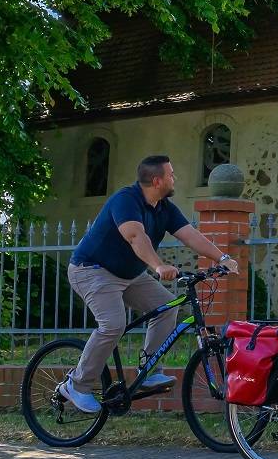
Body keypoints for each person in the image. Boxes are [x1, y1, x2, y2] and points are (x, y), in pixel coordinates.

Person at [61, 154, 236, 414]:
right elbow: (135, 236)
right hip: (93, 271)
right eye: (171, 174)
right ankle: (77, 385)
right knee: (113, 324)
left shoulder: (164, 207)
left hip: (129, 274)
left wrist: (222, 258)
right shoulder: (126, 200)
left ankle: (149, 369)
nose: (175, 178)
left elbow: (190, 235)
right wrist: (158, 266)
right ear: (157, 180)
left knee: (167, 306)